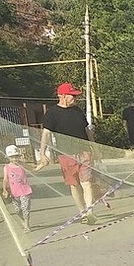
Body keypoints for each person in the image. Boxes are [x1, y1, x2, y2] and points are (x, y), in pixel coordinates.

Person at [36, 82, 98, 223]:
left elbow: (87, 130)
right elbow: (46, 134)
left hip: (84, 152)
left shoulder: (77, 111)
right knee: (74, 185)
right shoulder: (52, 114)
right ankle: (82, 212)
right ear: (62, 96)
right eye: (73, 96)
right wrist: (43, 153)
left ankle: (90, 212)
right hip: (66, 155)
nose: (75, 99)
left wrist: (95, 147)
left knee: (86, 182)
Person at [2, 145, 33, 229]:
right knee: (17, 210)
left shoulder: (21, 165)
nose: (14, 159)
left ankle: (26, 223)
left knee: (25, 208)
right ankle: (22, 220)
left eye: (16, 157)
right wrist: (5, 189)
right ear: (8, 157)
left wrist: (42, 165)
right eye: (12, 157)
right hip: (14, 193)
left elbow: (34, 169)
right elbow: (5, 179)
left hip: (25, 191)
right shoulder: (6, 167)